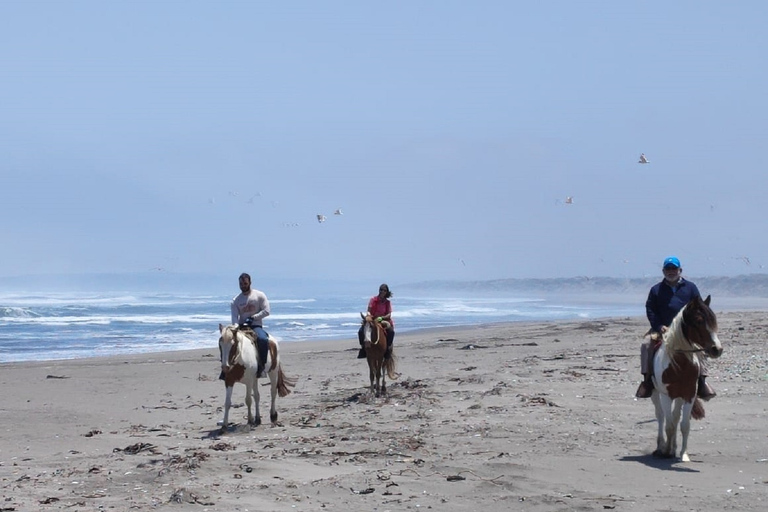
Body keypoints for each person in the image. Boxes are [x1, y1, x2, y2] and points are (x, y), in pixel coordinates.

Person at [636, 256, 716, 400]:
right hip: (662, 329)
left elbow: (699, 308)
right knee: (646, 344)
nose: (671, 271)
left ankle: (702, 382)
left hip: (685, 331)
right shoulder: (656, 290)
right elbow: (650, 310)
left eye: (674, 268)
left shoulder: (690, 288)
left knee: (701, 346)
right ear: (663, 271)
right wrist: (659, 326)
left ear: (680, 270)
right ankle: (647, 381)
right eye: (668, 269)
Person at [230, 273, 271, 378]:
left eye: (245, 283)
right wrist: (235, 328)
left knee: (262, 339)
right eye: (241, 284)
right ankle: (227, 368)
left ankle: (261, 367)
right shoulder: (236, 301)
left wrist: (253, 318)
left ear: (249, 283)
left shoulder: (259, 295)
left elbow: (266, 311)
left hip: (255, 326)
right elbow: (234, 317)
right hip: (242, 327)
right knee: (228, 343)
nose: (243, 285)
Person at [357, 283, 395, 360]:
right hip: (373, 319)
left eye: (384, 290)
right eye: (381, 290)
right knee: (361, 331)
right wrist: (368, 316)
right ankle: (363, 348)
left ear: (386, 292)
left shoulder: (387, 303)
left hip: (383, 320)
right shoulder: (373, 300)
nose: (382, 292)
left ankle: (387, 349)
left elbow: (389, 315)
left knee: (391, 332)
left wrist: (381, 318)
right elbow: (369, 310)